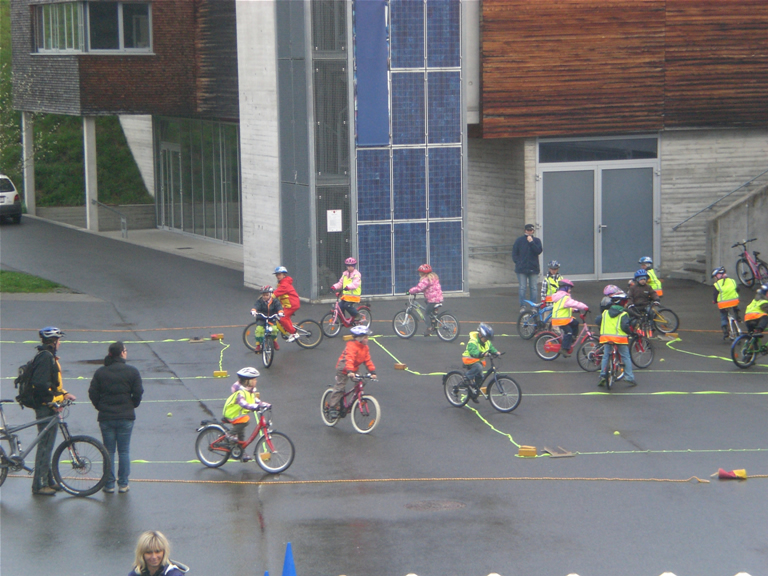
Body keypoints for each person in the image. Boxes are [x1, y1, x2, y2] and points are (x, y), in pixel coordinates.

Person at [88, 341, 144, 494]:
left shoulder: (101, 372)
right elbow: (138, 392)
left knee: (109, 451)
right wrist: (132, 404)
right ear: (122, 353)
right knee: (124, 451)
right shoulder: (132, 371)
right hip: (126, 415)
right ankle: (123, 484)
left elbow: (92, 392)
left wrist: (100, 406)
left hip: (106, 416)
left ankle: (109, 484)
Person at [28, 327, 76, 496]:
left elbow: (53, 383)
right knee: (45, 446)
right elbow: (41, 384)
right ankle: (39, 485)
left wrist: (64, 394)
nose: (60, 343)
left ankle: (48, 480)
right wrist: (54, 401)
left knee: (47, 445)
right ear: (53, 342)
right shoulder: (45, 358)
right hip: (45, 407)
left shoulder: (48, 357)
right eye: (59, 340)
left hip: (48, 405)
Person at [222, 367, 270, 461]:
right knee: (245, 421)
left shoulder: (250, 391)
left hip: (239, 415)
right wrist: (254, 407)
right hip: (232, 414)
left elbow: (256, 400)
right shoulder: (241, 392)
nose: (256, 381)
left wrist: (265, 405)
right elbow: (243, 403)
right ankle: (230, 435)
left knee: (241, 435)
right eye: (254, 379)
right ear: (248, 381)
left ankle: (241, 452)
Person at [328, 325, 377, 418]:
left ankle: (355, 399)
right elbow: (349, 358)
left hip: (354, 368)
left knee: (361, 381)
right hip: (344, 368)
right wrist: (350, 371)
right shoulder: (351, 346)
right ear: (360, 338)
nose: (367, 339)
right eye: (365, 337)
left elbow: (368, 360)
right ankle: (332, 407)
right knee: (340, 387)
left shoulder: (365, 347)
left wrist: (372, 371)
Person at [597, 291, 636, 387]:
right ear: (622, 303)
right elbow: (625, 326)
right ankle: (629, 377)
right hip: (620, 339)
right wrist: (630, 332)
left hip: (606, 338)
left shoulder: (605, 312)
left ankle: (603, 375)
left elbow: (597, 320)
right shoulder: (623, 314)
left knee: (606, 356)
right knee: (625, 356)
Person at [461, 323, 500, 402]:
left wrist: (496, 352)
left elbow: (491, 348)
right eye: (485, 338)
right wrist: (481, 354)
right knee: (478, 367)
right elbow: (473, 352)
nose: (487, 340)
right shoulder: (473, 341)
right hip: (469, 360)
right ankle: (466, 378)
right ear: (480, 335)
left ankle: (473, 393)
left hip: (478, 361)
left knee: (480, 377)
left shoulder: (487, 342)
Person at [550, 279, 588, 356]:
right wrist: (584, 307)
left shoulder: (561, 296)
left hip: (564, 319)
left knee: (575, 323)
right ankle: (563, 349)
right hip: (560, 320)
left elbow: (566, 306)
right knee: (569, 332)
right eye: (569, 288)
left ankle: (572, 338)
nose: (570, 290)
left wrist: (574, 310)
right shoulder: (564, 297)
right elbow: (574, 303)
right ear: (565, 287)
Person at [512, 224, 543, 312]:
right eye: (528, 230)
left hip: (533, 268)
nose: (529, 232)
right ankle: (523, 305)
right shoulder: (519, 240)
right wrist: (518, 262)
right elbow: (514, 253)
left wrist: (531, 242)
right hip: (521, 268)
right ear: (525, 230)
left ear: (533, 231)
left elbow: (538, 251)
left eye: (531, 230)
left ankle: (533, 306)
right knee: (522, 287)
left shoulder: (536, 240)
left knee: (533, 287)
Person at [408, 263, 443, 336]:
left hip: (433, 300)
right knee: (427, 303)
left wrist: (410, 291)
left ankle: (429, 329)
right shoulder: (433, 277)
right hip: (438, 298)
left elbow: (419, 288)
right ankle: (433, 320)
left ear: (422, 273)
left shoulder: (426, 279)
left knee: (426, 314)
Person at [250, 285, 283, 352]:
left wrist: (280, 312)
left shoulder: (275, 301)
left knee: (274, 330)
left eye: (267, 295)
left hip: (271, 318)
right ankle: (258, 345)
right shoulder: (260, 301)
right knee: (259, 330)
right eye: (263, 295)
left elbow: (279, 307)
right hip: (262, 319)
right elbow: (256, 306)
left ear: (270, 295)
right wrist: (254, 310)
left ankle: (274, 341)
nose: (265, 296)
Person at [273, 265, 301, 343]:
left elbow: (276, 293)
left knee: (283, 318)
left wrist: (268, 298)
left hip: (291, 304)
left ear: (284, 275)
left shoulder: (285, 284)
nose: (277, 276)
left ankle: (294, 333)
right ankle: (289, 329)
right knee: (284, 316)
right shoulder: (282, 283)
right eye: (276, 275)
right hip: (287, 304)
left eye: (279, 274)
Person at [711, 267, 741, 340]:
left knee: (723, 316)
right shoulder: (732, 281)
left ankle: (725, 331)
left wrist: (714, 301)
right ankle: (737, 316)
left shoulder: (717, 284)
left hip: (723, 304)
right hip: (734, 301)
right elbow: (738, 289)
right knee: (735, 307)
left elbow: (715, 294)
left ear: (718, 275)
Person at [331, 257, 363, 323]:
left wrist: (348, 287)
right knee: (340, 306)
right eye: (348, 266)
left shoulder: (356, 275)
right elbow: (340, 283)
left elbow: (355, 284)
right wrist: (334, 287)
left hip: (354, 296)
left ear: (354, 266)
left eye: (351, 266)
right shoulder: (344, 274)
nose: (349, 267)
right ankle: (342, 320)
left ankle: (357, 315)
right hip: (346, 297)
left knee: (347, 306)